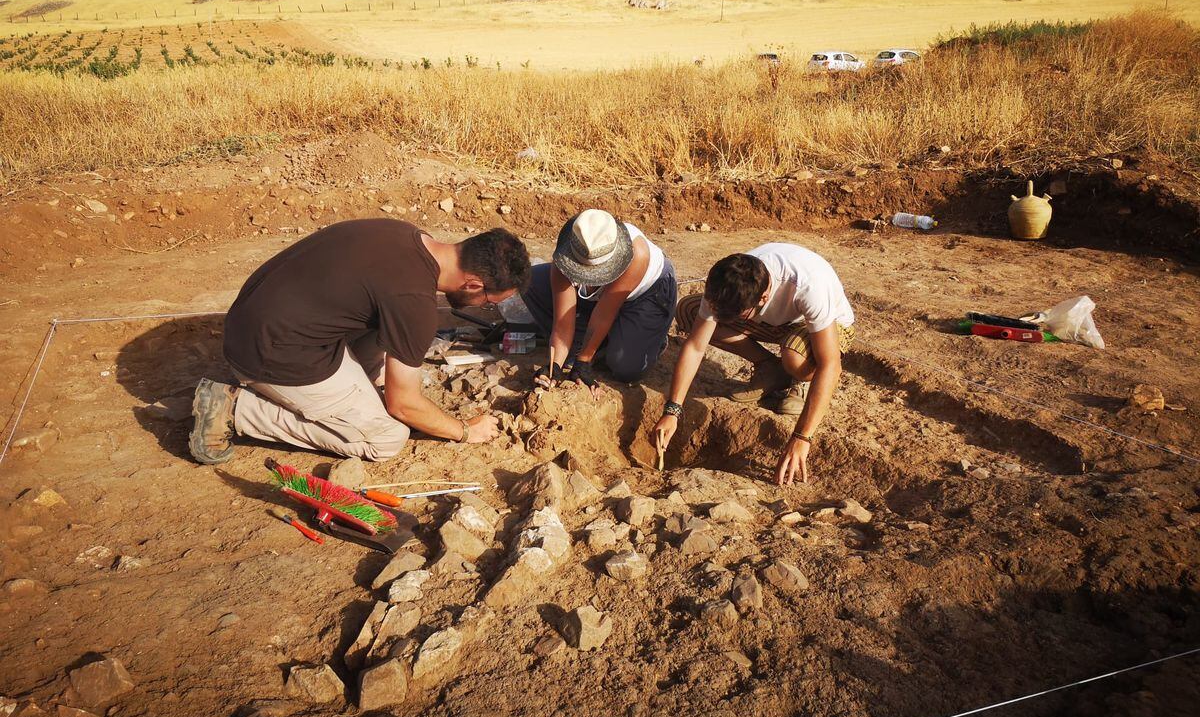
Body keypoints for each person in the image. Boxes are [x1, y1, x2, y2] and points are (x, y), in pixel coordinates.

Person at [188, 220, 531, 465]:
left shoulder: (406, 235)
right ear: (473, 284)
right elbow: (403, 405)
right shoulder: (415, 302)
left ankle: (353, 389)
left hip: (253, 317)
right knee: (386, 437)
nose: (487, 307)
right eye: (489, 300)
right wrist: (462, 432)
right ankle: (235, 409)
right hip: (268, 352)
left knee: (379, 337)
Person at [652, 243, 854, 486]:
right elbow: (696, 346)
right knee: (689, 311)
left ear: (764, 297)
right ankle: (770, 367)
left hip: (822, 327)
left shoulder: (807, 286)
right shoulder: (725, 285)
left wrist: (802, 437)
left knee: (794, 356)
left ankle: (796, 379)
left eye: (738, 314)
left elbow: (830, 364)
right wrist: (673, 410)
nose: (726, 318)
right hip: (772, 322)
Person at [520, 209, 677, 391]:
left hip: (646, 296)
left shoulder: (637, 255)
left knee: (626, 368)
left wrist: (583, 362)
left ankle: (652, 341)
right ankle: (602, 341)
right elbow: (562, 322)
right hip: (601, 298)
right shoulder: (568, 252)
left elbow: (604, 313)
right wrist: (555, 366)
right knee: (530, 282)